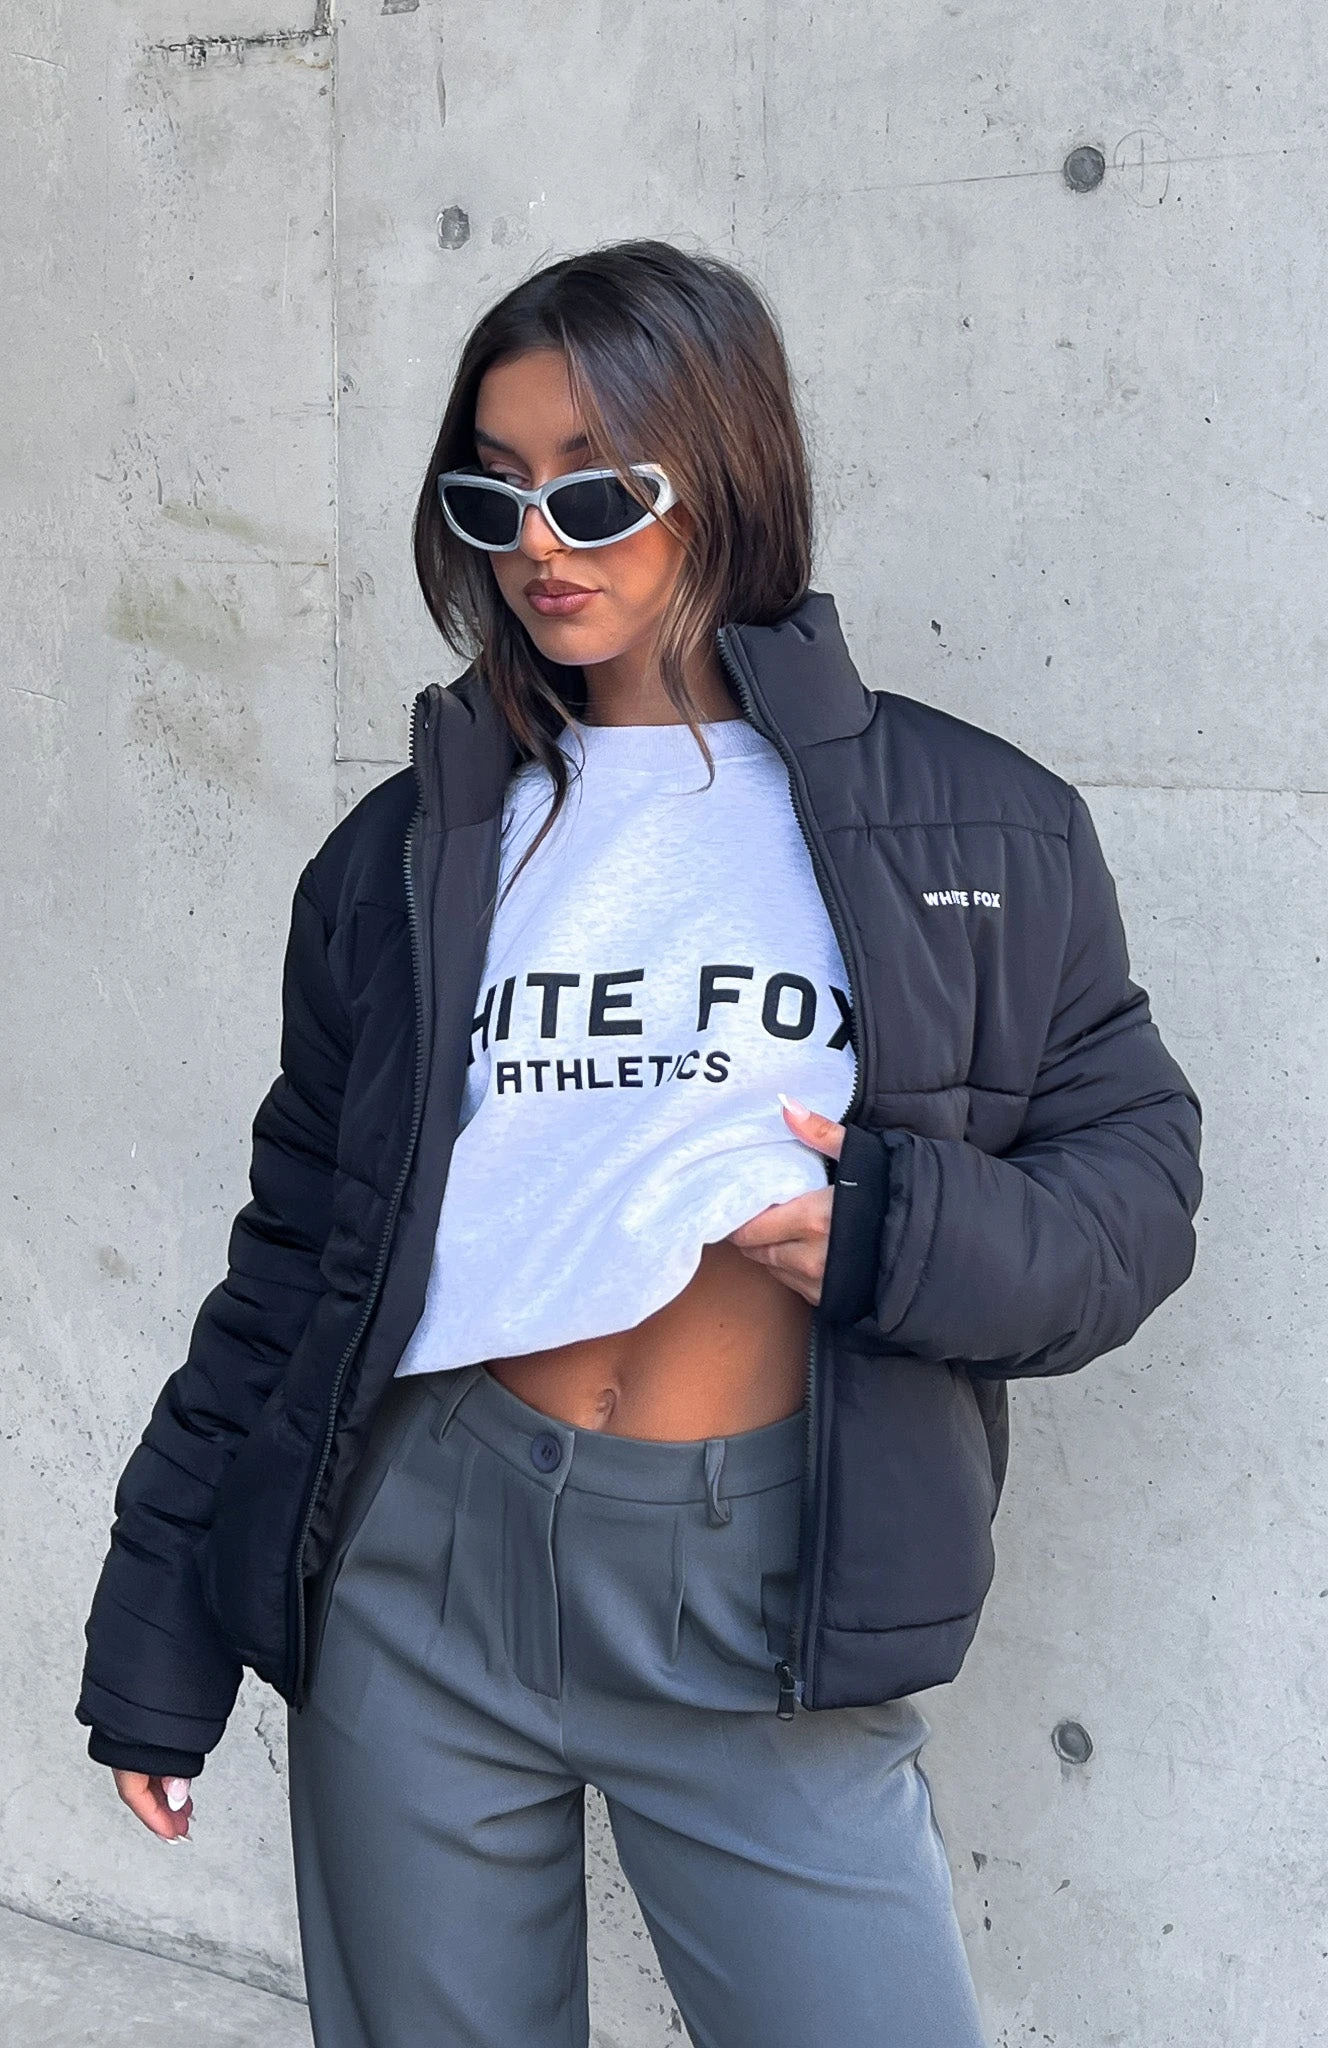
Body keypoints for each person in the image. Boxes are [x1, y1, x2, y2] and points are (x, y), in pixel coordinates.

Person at [76, 238, 1202, 2047]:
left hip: (762, 1576)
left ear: (727, 478)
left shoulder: (982, 828)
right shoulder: (407, 853)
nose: (542, 545)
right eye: (495, 494)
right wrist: (159, 1632)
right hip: (425, 1556)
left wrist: (896, 1235)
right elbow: (295, 1256)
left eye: (596, 492)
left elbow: (1134, 1190)